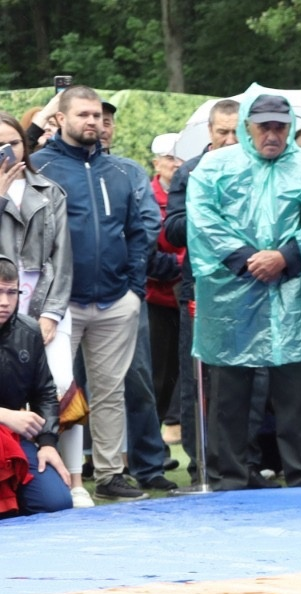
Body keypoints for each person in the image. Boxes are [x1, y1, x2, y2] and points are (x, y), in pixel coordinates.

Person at [187, 93, 301, 492]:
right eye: (265, 126)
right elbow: (202, 217)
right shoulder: (215, 168)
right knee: (230, 395)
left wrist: (286, 256)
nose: (272, 134)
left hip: (295, 294)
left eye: (280, 126)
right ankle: (230, 478)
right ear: (248, 127)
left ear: (290, 126)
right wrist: (246, 258)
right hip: (231, 296)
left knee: (299, 396)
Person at [31, 85, 159, 502]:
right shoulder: (40, 166)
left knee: (109, 391)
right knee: (58, 393)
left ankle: (110, 474)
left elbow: (141, 231)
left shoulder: (122, 170)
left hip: (115, 299)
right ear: (62, 118)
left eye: (98, 116)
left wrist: (134, 289)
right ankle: (66, 479)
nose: (93, 122)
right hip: (59, 304)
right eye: (83, 114)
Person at [0, 110, 87, 508]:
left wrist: (50, 314)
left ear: (25, 145)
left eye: (11, 143)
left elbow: (62, 258)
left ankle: (73, 474)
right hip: (5, 306)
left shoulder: (49, 191)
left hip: (44, 302)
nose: (4, 152)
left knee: (62, 383)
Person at [161, 98, 240, 486]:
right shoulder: (190, 172)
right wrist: (206, 202)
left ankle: (240, 462)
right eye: (222, 131)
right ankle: (200, 466)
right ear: (209, 132)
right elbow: (172, 231)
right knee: (198, 380)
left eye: (236, 132)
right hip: (200, 287)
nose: (229, 139)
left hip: (246, 287)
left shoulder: (255, 172)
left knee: (246, 380)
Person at [0, 254, 70, 516]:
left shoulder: (29, 332)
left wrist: (48, 442)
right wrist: (4, 416)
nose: (5, 302)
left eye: (11, 292)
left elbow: (45, 394)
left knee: (55, 502)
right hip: (8, 423)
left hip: (15, 436)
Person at [147, 134, 185, 449]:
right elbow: (148, 245)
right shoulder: (146, 195)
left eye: (178, 156)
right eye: (168, 157)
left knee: (190, 371)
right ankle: (152, 447)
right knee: (159, 375)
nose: (174, 163)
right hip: (157, 298)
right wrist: (180, 264)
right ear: (156, 163)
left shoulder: (191, 190)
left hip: (191, 295)